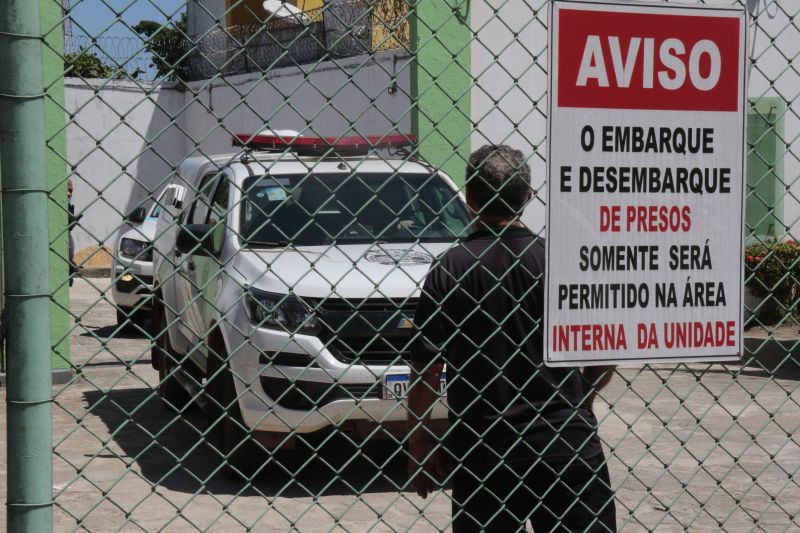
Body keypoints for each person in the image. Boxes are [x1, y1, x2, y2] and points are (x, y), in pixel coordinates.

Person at [406, 145, 617, 532]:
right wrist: (579, 397)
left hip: (487, 450)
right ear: (529, 197)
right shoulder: (562, 262)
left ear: (469, 199)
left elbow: (426, 370)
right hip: (566, 444)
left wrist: (419, 442)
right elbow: (606, 349)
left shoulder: (452, 268)